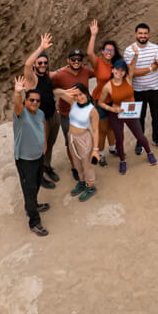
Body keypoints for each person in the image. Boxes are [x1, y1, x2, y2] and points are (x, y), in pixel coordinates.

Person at [96, 57, 155, 174]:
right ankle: (122, 161)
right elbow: (100, 102)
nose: (119, 72)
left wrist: (136, 54)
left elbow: (132, 65)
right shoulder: (108, 86)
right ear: (112, 70)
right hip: (116, 113)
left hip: (130, 111)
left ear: (125, 72)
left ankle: (149, 152)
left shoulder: (128, 79)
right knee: (119, 139)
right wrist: (112, 108)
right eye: (117, 69)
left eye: (122, 70)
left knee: (139, 135)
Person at [11, 76, 52, 236]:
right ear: (26, 101)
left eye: (37, 101)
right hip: (25, 159)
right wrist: (17, 93)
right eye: (32, 100)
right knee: (29, 189)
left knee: (36, 183)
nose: (35, 103)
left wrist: (45, 145)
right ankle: (34, 222)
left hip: (38, 156)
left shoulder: (40, 113)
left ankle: (32, 205)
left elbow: (43, 126)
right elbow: (17, 104)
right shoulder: (20, 114)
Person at [50, 44, 95, 174]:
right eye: (73, 59)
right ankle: (75, 166)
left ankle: (84, 162)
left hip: (83, 113)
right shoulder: (60, 75)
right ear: (68, 61)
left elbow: (99, 73)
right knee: (70, 141)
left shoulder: (86, 71)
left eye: (79, 59)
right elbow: (52, 88)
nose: (76, 62)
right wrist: (62, 92)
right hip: (66, 114)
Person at [21, 33, 59, 187]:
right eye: (40, 63)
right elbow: (27, 65)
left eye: (45, 62)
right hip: (38, 121)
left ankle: (46, 167)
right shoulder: (32, 79)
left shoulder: (47, 75)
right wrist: (41, 48)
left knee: (49, 144)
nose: (42, 65)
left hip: (52, 116)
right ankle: (39, 177)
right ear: (36, 64)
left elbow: (63, 71)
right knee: (39, 149)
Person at [123, 22, 158, 150]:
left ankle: (156, 138)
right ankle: (140, 141)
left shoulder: (155, 48)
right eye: (140, 33)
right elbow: (131, 73)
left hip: (155, 89)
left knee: (157, 116)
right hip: (137, 91)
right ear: (135, 34)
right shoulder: (129, 50)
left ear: (149, 34)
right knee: (139, 117)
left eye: (145, 33)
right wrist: (150, 68)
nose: (143, 35)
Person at [53, 84, 99, 201]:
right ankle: (82, 182)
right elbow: (56, 91)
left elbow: (95, 131)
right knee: (76, 162)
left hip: (84, 138)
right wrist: (66, 90)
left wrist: (95, 150)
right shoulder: (73, 102)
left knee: (86, 163)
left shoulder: (92, 110)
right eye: (76, 95)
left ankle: (90, 186)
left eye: (81, 94)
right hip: (71, 137)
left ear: (86, 94)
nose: (79, 97)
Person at [91, 23, 120, 166]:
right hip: (99, 100)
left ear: (114, 53)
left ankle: (113, 148)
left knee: (111, 127)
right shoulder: (98, 62)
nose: (109, 52)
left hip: (113, 100)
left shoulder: (116, 64)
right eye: (107, 50)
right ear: (103, 51)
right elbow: (89, 53)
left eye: (112, 50)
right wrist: (93, 35)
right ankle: (100, 154)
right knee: (102, 129)